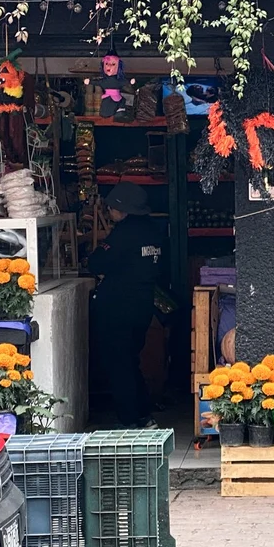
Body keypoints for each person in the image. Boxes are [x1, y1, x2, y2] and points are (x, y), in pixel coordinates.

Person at [88, 183, 166, 428]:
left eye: (111, 208)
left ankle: (130, 419)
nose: (109, 211)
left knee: (118, 363)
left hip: (117, 307)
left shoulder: (123, 234)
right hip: (142, 305)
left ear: (122, 210)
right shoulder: (153, 231)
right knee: (130, 359)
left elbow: (97, 263)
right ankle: (143, 413)